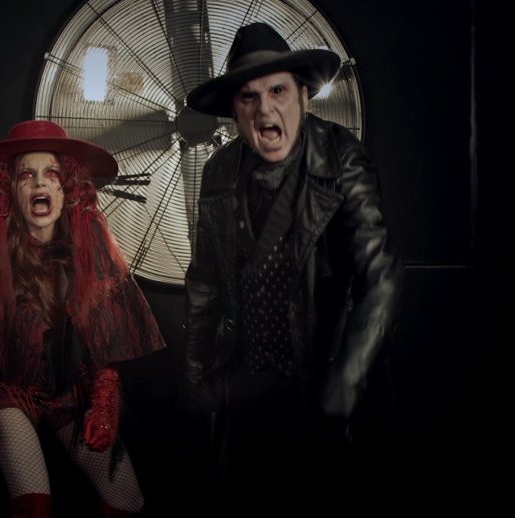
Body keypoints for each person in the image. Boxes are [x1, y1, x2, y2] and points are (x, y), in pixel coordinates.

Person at [180, 22, 403, 513]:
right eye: (249, 97)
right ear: (234, 112)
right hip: (249, 388)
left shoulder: (342, 158)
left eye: (278, 91)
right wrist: (197, 373)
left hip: (325, 378)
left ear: (304, 95)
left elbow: (380, 279)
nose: (265, 110)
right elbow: (204, 284)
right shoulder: (218, 171)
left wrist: (345, 385)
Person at [0, 120, 166, 518]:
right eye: (26, 175)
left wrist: (103, 405)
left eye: (52, 173)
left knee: (128, 501)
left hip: (71, 393)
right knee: (34, 506)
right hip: (11, 391)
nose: (39, 183)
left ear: (67, 189)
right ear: (9, 190)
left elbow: (112, 339)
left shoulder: (93, 251)